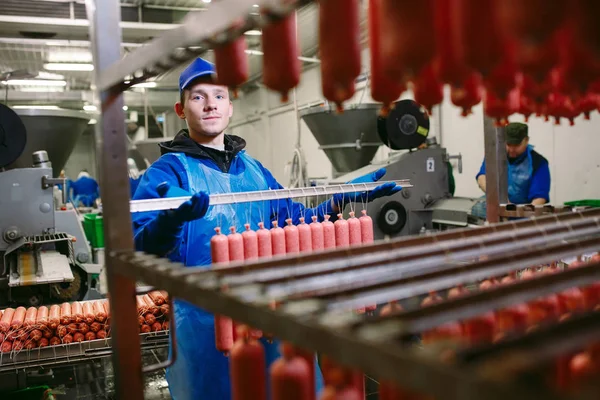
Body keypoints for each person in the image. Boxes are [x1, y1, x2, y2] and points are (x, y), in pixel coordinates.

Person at [131, 57, 402, 400]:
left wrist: (341, 199)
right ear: (181, 109)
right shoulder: (167, 172)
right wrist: (169, 221)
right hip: (205, 334)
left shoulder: (255, 171)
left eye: (219, 95)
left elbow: (296, 224)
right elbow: (141, 249)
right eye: (198, 96)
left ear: (231, 106)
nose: (211, 104)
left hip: (268, 322)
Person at [472, 122, 550, 218]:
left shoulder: (538, 162)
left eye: (517, 145)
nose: (512, 149)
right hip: (497, 206)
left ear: (526, 140)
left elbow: (539, 198)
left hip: (523, 213)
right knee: (477, 209)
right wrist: (497, 196)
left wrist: (518, 213)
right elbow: (482, 177)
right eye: (509, 144)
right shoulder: (494, 156)